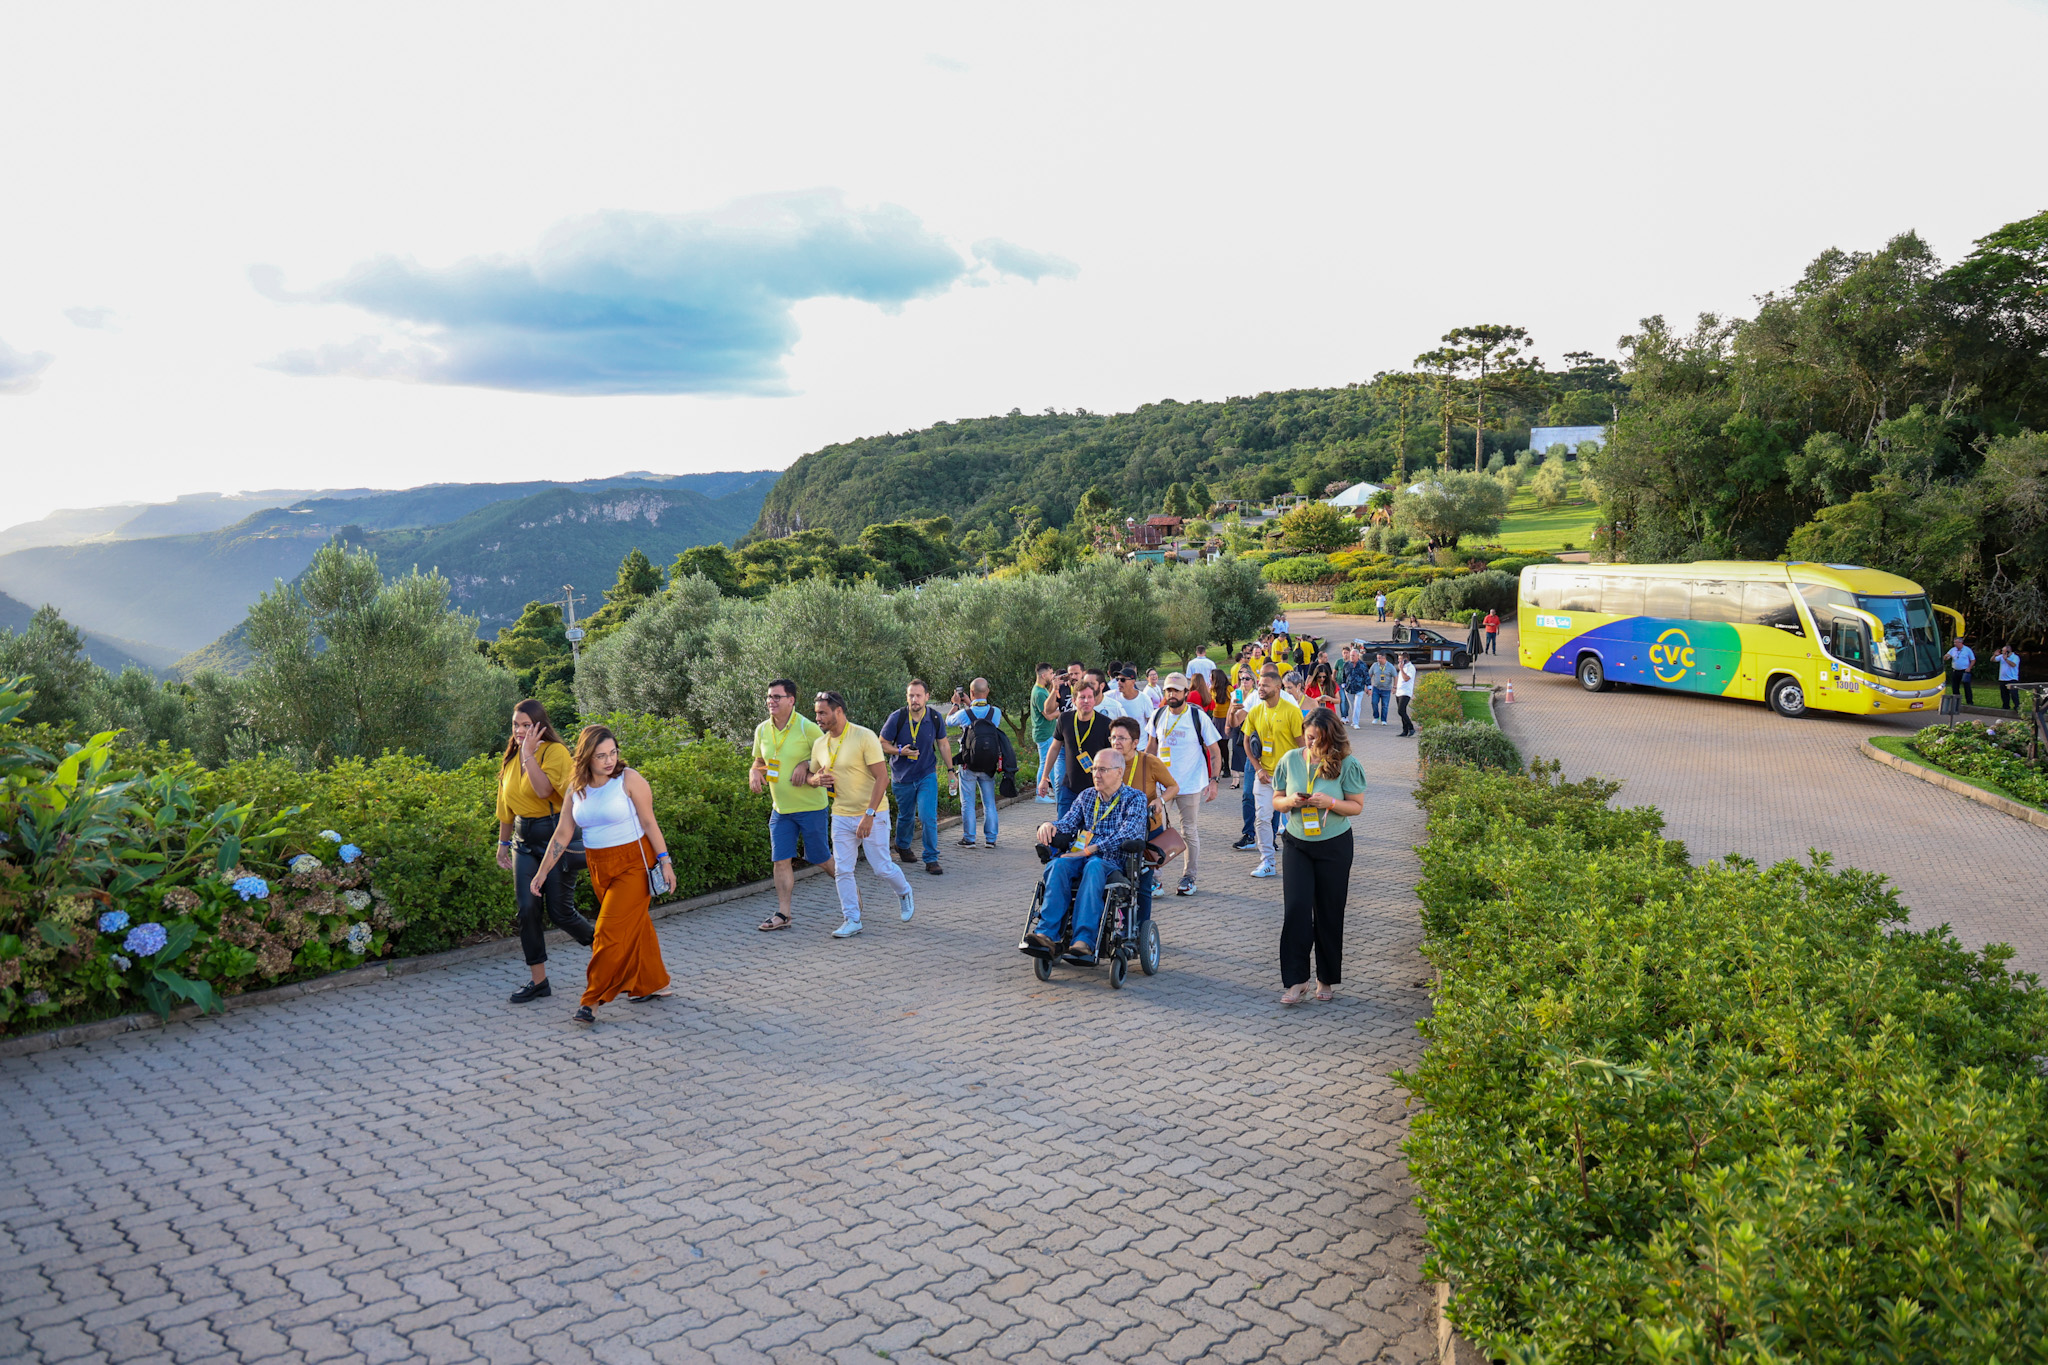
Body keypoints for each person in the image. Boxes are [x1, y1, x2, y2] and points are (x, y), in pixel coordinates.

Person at [527, 725, 675, 1024]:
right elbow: (563, 833)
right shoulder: (575, 787)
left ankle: (591, 1000)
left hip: (634, 862)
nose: (609, 761)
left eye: (613, 753)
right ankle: (652, 983)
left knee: (608, 931)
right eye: (601, 756)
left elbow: (649, 822)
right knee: (635, 925)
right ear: (586, 758)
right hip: (598, 865)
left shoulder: (628, 779)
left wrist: (665, 861)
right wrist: (542, 871)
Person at [496, 700, 596, 1003]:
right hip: (523, 842)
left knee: (561, 912)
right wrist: (502, 845)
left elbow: (542, 791)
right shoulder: (510, 759)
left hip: (557, 836)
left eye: (527, 725)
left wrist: (529, 756)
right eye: (516, 725)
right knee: (527, 909)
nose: (520, 730)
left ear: (540, 726)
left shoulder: (555, 753)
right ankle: (538, 981)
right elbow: (506, 807)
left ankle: (613, 952)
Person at [1272, 709, 1368, 1005]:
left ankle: (1325, 978)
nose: (1310, 742)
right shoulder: (1290, 759)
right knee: (1297, 910)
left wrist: (1331, 802)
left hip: (1334, 846)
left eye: (1317, 738)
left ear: (1330, 737)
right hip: (1297, 843)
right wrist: (1288, 802)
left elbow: (1357, 806)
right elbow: (1276, 799)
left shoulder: (1347, 763)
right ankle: (1296, 980)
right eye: (1308, 736)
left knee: (1328, 911)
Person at [1025, 749, 1152, 962]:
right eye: (1094, 769)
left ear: (1119, 772)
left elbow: (1128, 833)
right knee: (1057, 865)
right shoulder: (1087, 796)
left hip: (1113, 861)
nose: (1096, 774)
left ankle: (1084, 940)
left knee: (1093, 866)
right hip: (1080, 856)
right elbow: (1068, 823)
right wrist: (1049, 825)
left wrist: (1091, 849)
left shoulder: (1135, 798)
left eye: (1102, 769)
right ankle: (1047, 935)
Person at [808, 690, 915, 937]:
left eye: (823, 713)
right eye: (816, 714)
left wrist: (869, 814)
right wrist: (816, 780)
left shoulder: (863, 736)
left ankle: (904, 891)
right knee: (843, 869)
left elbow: (882, 778)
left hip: (872, 813)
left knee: (881, 867)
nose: (819, 718)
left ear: (839, 711)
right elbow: (813, 775)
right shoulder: (820, 744)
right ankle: (852, 919)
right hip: (841, 815)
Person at [750, 678, 835, 933]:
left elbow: (828, 760)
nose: (771, 701)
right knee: (780, 860)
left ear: (791, 700)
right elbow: (759, 761)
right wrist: (754, 772)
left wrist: (805, 764)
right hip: (781, 809)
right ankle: (783, 913)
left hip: (810, 807)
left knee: (821, 859)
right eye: (769, 697)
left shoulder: (807, 728)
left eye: (777, 697)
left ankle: (851, 897)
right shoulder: (762, 730)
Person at [1145, 672, 1220, 896]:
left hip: (1189, 785)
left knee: (1189, 832)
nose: (1172, 694)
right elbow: (1150, 749)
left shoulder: (1198, 717)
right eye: (1168, 690)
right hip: (1161, 787)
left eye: (1177, 690)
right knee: (1156, 832)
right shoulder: (1158, 715)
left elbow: (1214, 751)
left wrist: (1213, 781)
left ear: (1186, 693)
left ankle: (1189, 877)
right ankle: (1155, 879)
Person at [880, 680, 952, 875]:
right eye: (911, 695)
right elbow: (882, 743)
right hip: (902, 777)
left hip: (926, 774)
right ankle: (902, 845)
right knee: (906, 816)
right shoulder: (898, 717)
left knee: (928, 817)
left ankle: (931, 858)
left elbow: (944, 744)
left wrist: (951, 769)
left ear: (927, 697)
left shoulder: (935, 718)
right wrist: (899, 751)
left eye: (919, 695)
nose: (915, 699)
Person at [1244, 665, 1304, 879]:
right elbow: (1246, 741)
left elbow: (1302, 744)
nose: (1260, 688)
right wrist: (1257, 767)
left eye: (1265, 685)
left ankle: (1301, 860)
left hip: (1290, 777)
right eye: (1259, 684)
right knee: (1262, 818)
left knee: (1296, 818)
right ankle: (1267, 862)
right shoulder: (1255, 711)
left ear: (1278, 687)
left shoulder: (1292, 711)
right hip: (1265, 775)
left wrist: (1302, 773)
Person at [946, 677, 1015, 849]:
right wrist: (971, 702)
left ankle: (969, 838)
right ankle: (991, 839)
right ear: (988, 691)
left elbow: (948, 721)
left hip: (968, 764)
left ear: (971, 693)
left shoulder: (963, 714)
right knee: (989, 802)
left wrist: (956, 704)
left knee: (968, 802)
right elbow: (981, 714)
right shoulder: (996, 712)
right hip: (989, 764)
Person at [1039, 679, 1114, 820]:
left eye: (1090, 697)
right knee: (1063, 831)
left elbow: (1112, 758)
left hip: (1096, 790)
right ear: (1074, 700)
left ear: (1095, 700)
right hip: (1069, 788)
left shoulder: (1105, 723)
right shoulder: (1065, 719)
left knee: (1090, 835)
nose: (1086, 701)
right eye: (1082, 697)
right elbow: (1054, 748)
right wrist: (1044, 777)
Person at [1030, 662, 1060, 803]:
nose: (1052, 675)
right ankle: (1040, 794)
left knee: (1049, 763)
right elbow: (1048, 715)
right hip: (1044, 733)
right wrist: (1063, 712)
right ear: (1043, 675)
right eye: (1050, 673)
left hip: (1046, 732)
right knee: (1046, 763)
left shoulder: (1041, 690)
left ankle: (1051, 791)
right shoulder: (1039, 693)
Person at [1341, 646, 1369, 728]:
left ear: (1357, 656)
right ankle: (1354, 721)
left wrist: (1369, 687)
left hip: (1359, 689)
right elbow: (1343, 675)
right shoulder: (1346, 664)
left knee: (1357, 705)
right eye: (1351, 656)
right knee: (1353, 706)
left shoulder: (1363, 665)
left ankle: (1356, 723)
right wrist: (1343, 684)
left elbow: (1366, 676)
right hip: (1349, 689)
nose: (1351, 657)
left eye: (1353, 656)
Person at [1945, 636, 1977, 705]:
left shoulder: (1967, 650)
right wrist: (1946, 657)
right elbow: (1947, 657)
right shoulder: (1953, 650)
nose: (1955, 644)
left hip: (1964, 671)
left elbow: (1973, 660)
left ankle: (1969, 702)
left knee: (1967, 687)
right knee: (1955, 687)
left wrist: (1969, 668)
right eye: (1954, 643)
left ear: (1961, 642)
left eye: (1956, 642)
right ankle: (1956, 702)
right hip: (1955, 670)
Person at [1368, 651, 1396, 726]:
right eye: (1377, 658)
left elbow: (1395, 676)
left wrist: (1394, 687)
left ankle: (1384, 720)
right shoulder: (1374, 665)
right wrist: (1368, 686)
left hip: (1386, 689)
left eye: (1379, 658)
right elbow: (1369, 675)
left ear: (1384, 658)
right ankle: (1376, 717)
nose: (1378, 660)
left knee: (1385, 705)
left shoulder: (1390, 666)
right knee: (1374, 702)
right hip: (1376, 688)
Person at [1394, 656, 1418, 736]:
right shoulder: (1403, 666)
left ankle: (1411, 727)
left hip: (1406, 692)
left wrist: (1401, 669)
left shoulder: (1410, 667)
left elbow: (1406, 678)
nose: (1398, 661)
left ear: (1405, 659)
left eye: (1400, 659)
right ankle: (1405, 730)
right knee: (1402, 712)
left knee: (1400, 711)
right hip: (1399, 692)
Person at [1995, 644, 2023, 711]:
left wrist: (2006, 659)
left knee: (2014, 694)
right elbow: (1993, 660)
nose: (2002, 652)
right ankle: (2006, 706)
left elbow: (2013, 665)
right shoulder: (2001, 656)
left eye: (2004, 651)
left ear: (2008, 651)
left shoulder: (2015, 657)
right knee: (2004, 694)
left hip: (2012, 679)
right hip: (2002, 678)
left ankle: (2017, 707)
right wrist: (1995, 655)